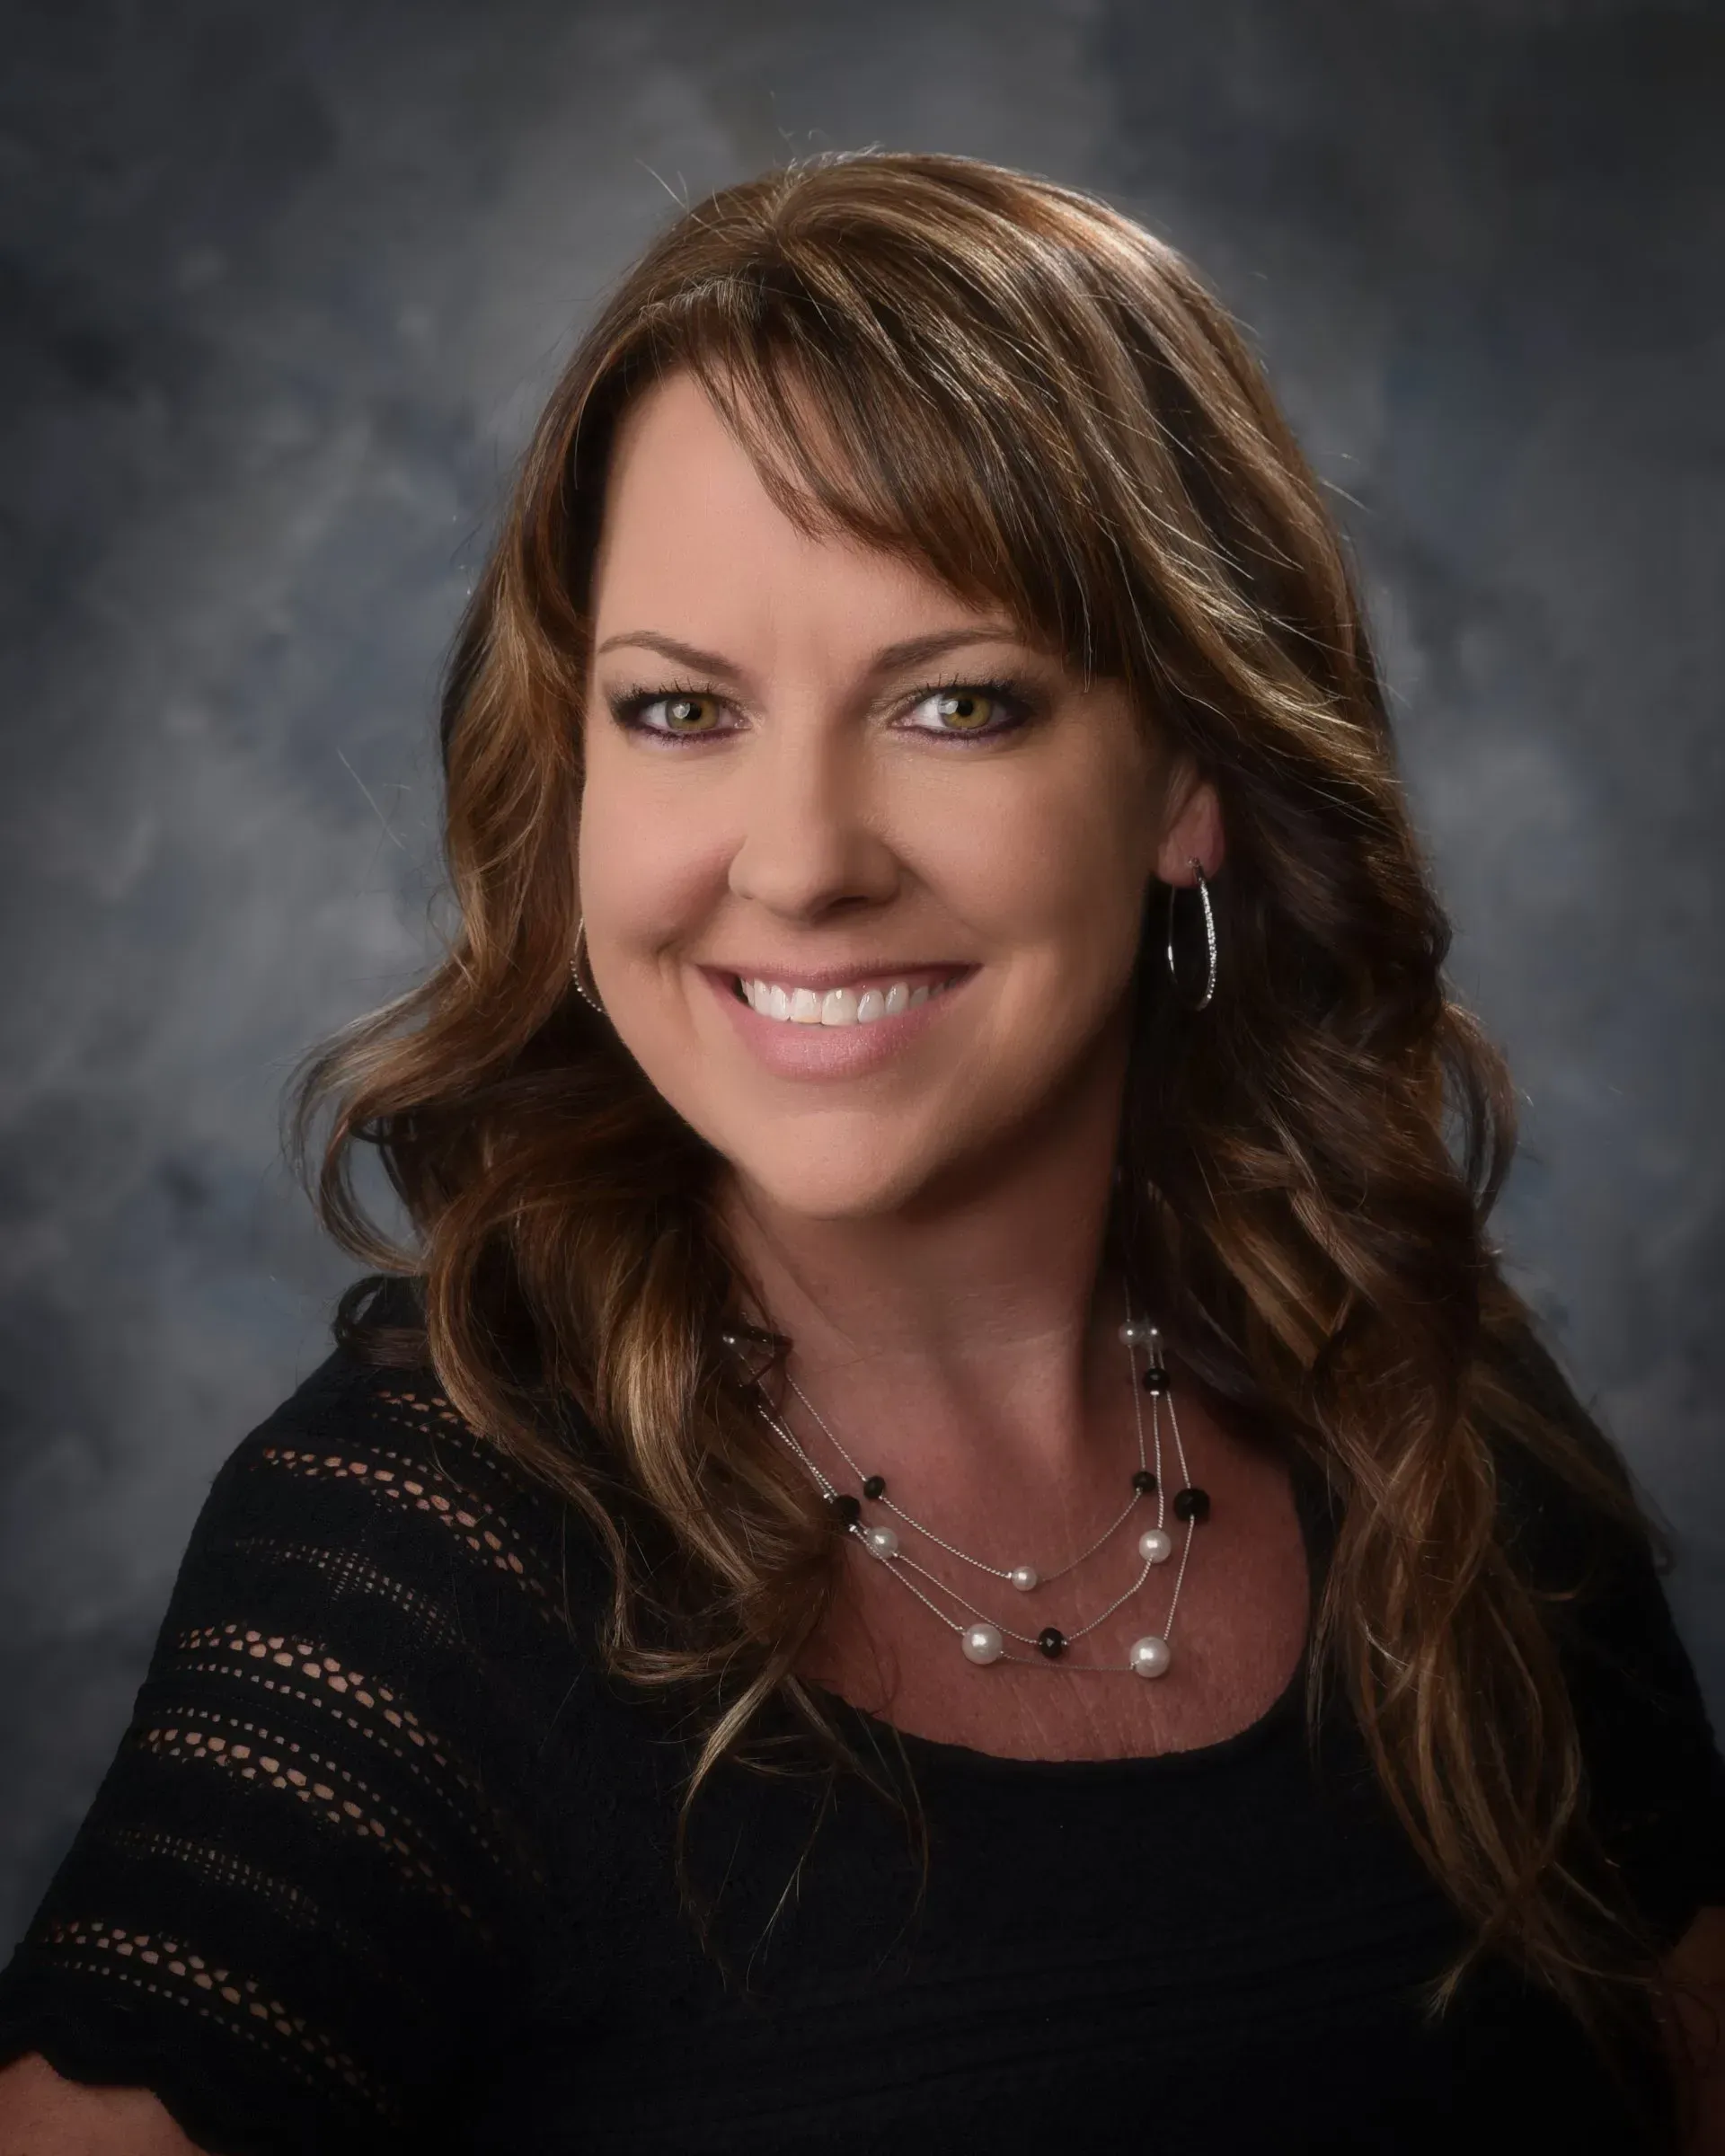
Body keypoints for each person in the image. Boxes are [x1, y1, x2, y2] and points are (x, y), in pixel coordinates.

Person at [0, 149, 1720, 2156]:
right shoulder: (415, 1559)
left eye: (959, 703)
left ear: (1187, 772)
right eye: (678, 711)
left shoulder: (1436, 1422)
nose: (802, 862)